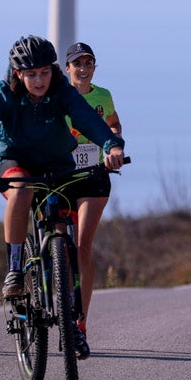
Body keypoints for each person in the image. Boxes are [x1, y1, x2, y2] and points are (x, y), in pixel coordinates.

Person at [0, 35, 124, 359]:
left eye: (43, 73)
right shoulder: (4, 93)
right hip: (11, 158)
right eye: (30, 74)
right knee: (21, 189)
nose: (38, 80)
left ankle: (72, 323)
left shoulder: (62, 90)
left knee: (66, 243)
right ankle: (15, 268)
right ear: (18, 73)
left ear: (52, 70)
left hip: (55, 162)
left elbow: (88, 119)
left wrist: (112, 145)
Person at [63, 41, 122, 356]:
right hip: (60, 178)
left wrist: (114, 147)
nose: (83, 69)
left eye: (89, 64)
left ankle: (80, 324)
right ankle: (53, 297)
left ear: (94, 68)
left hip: (93, 177)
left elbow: (113, 124)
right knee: (59, 247)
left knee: (83, 245)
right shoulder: (57, 97)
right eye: (78, 64)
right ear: (67, 69)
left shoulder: (103, 96)